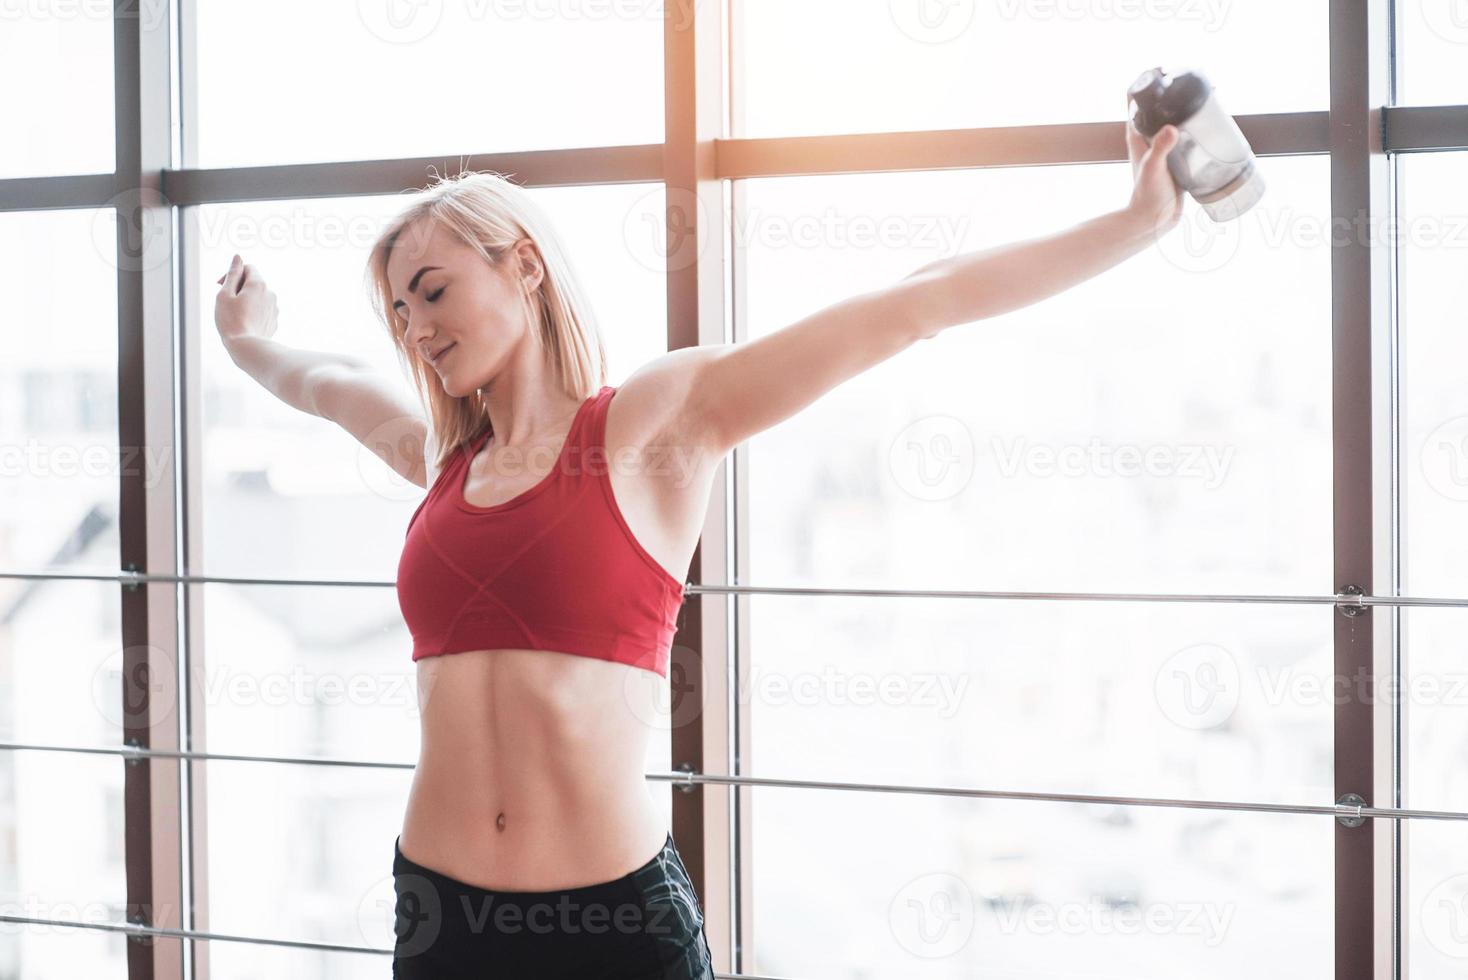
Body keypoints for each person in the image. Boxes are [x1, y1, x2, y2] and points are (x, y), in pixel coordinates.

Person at [211, 105, 1183, 979]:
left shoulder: (649, 427)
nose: (415, 329)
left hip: (612, 929)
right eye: (398, 311)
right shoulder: (443, 463)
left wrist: (1131, 224)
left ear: (523, 263)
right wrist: (250, 340)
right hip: (439, 919)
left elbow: (910, 304)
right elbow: (325, 383)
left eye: (431, 291)